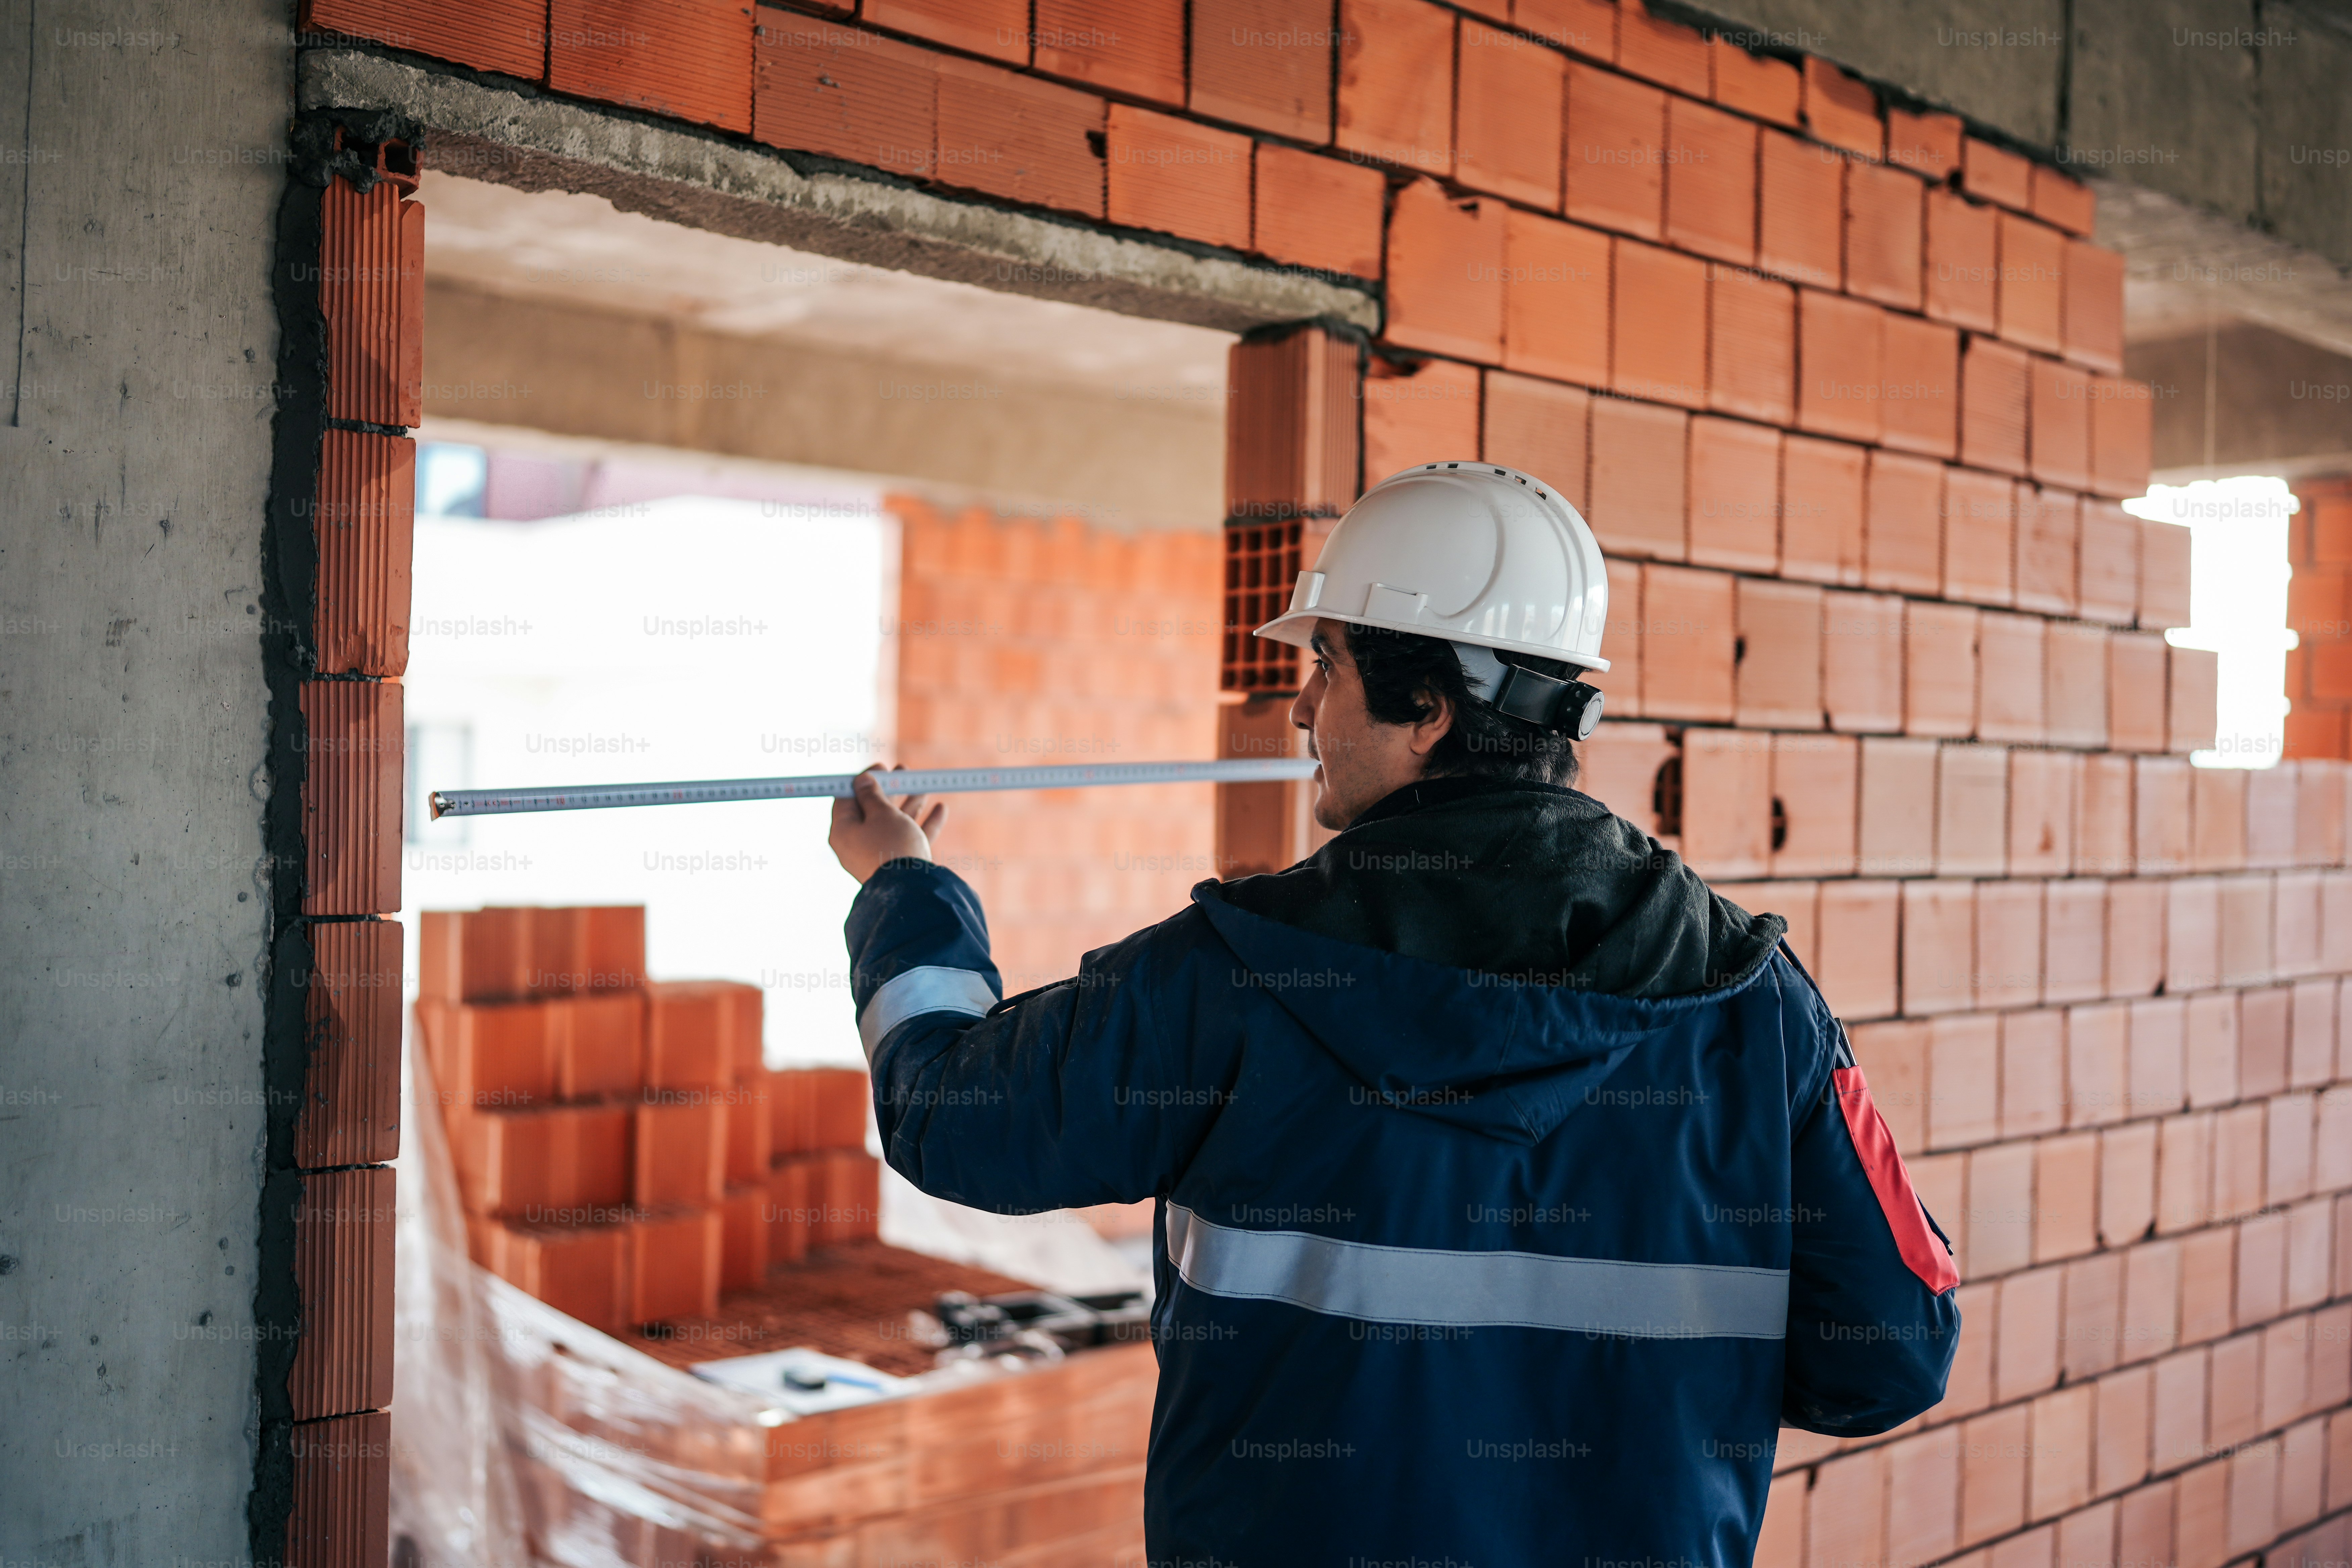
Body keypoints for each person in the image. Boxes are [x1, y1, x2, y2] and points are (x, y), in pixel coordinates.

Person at [828, 463, 1959, 1567]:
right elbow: (1892, 1357)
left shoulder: (1233, 975)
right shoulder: (1756, 1003)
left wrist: (903, 888)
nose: (1301, 705)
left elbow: (955, 1116)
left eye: (1327, 663)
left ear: (1429, 707)